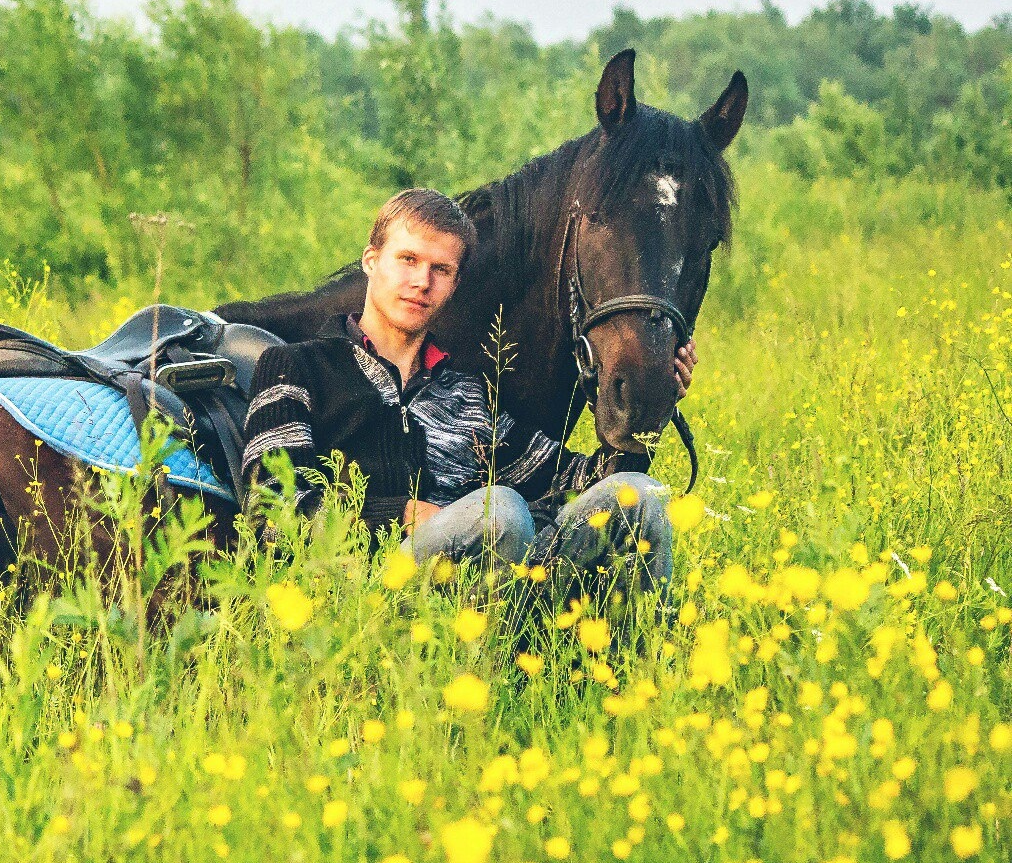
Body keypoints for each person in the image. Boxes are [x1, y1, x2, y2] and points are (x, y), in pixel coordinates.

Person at [239, 188, 696, 596]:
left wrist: (650, 408)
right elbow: (272, 509)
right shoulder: (295, 366)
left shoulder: (467, 394)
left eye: (441, 269)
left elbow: (574, 481)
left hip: (486, 576)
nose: (422, 282)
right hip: (369, 590)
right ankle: (484, 666)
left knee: (639, 494)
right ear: (371, 261)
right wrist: (399, 514)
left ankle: (637, 663)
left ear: (455, 284)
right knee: (501, 511)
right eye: (408, 260)